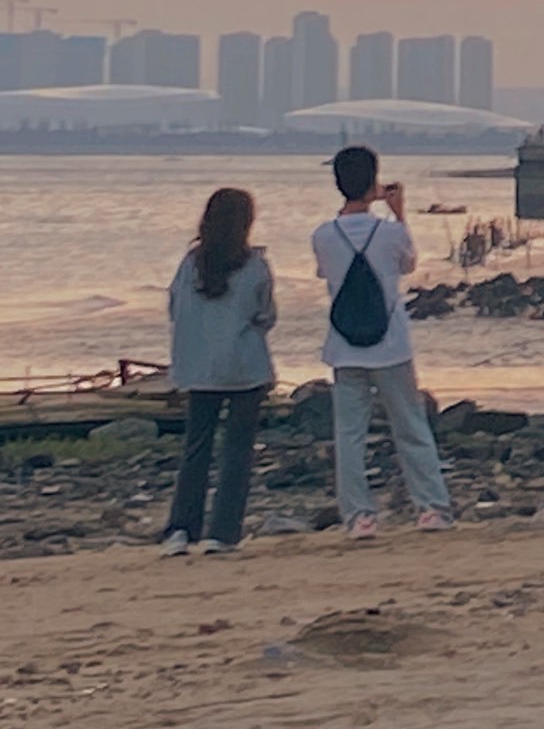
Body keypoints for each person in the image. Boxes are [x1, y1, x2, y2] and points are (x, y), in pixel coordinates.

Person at [311, 145, 453, 539]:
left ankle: (359, 517)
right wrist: (399, 212)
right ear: (372, 183)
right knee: (410, 425)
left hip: (344, 345)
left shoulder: (323, 234)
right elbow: (407, 264)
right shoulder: (389, 232)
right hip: (390, 344)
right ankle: (431, 508)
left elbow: (326, 273)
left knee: (350, 434)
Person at [160, 187, 276, 554]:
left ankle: (180, 529)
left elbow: (174, 308)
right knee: (237, 451)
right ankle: (222, 533)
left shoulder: (191, 263)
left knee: (197, 447)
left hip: (198, 368)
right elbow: (266, 315)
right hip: (244, 366)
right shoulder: (254, 265)